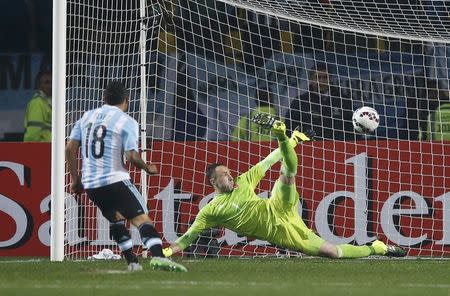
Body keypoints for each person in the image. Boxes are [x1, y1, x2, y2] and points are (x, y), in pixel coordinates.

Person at [163, 114, 406, 259]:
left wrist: (288, 140)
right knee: (334, 253)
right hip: (282, 234)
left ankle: (280, 133)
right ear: (213, 182)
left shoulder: (244, 181)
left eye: (229, 171)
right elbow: (186, 238)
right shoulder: (210, 211)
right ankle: (377, 248)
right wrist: (166, 252)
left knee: (287, 174)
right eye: (224, 175)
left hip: (278, 206)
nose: (230, 175)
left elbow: (271, 160)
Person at [65, 81, 187, 272]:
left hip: (91, 184)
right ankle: (158, 257)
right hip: (115, 179)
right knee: (142, 220)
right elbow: (131, 156)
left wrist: (75, 179)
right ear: (126, 100)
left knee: (117, 219)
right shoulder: (126, 121)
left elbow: (70, 148)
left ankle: (132, 263)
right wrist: (147, 168)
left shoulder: (86, 117)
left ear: (103, 99)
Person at [284, 63, 354, 141]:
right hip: (309, 148)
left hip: (338, 148)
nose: (321, 81)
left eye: (325, 77)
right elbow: (289, 126)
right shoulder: (300, 101)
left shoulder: (343, 101)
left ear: (330, 80)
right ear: (311, 80)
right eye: (318, 77)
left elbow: (352, 128)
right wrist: (301, 138)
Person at [24, 70, 52, 142]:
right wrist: (34, 151)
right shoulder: (37, 103)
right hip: (39, 150)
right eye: (47, 82)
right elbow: (33, 133)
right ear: (39, 86)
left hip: (51, 148)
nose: (50, 85)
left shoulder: (50, 103)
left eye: (52, 82)